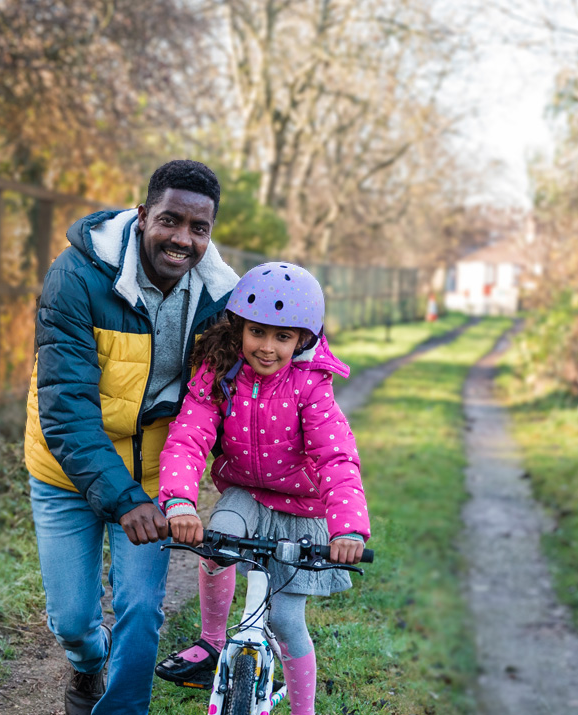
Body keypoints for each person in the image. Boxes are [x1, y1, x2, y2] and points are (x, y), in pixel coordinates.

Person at [24, 159, 243, 715]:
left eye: (200, 228)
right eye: (170, 221)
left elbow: (264, 368)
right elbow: (67, 407)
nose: (183, 239)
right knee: (73, 619)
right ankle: (86, 662)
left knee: (140, 611)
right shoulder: (77, 276)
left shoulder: (221, 297)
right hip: (66, 469)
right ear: (144, 216)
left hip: (151, 477)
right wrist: (122, 501)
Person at [151, 262, 370, 715]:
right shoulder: (219, 373)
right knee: (217, 545)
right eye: (258, 332)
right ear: (240, 327)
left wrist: (347, 530)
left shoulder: (311, 387)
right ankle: (212, 645)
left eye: (283, 337)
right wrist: (179, 501)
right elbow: (188, 438)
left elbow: (336, 457)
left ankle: (303, 711)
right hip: (245, 495)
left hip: (302, 511)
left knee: (287, 621)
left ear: (303, 340)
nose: (267, 348)